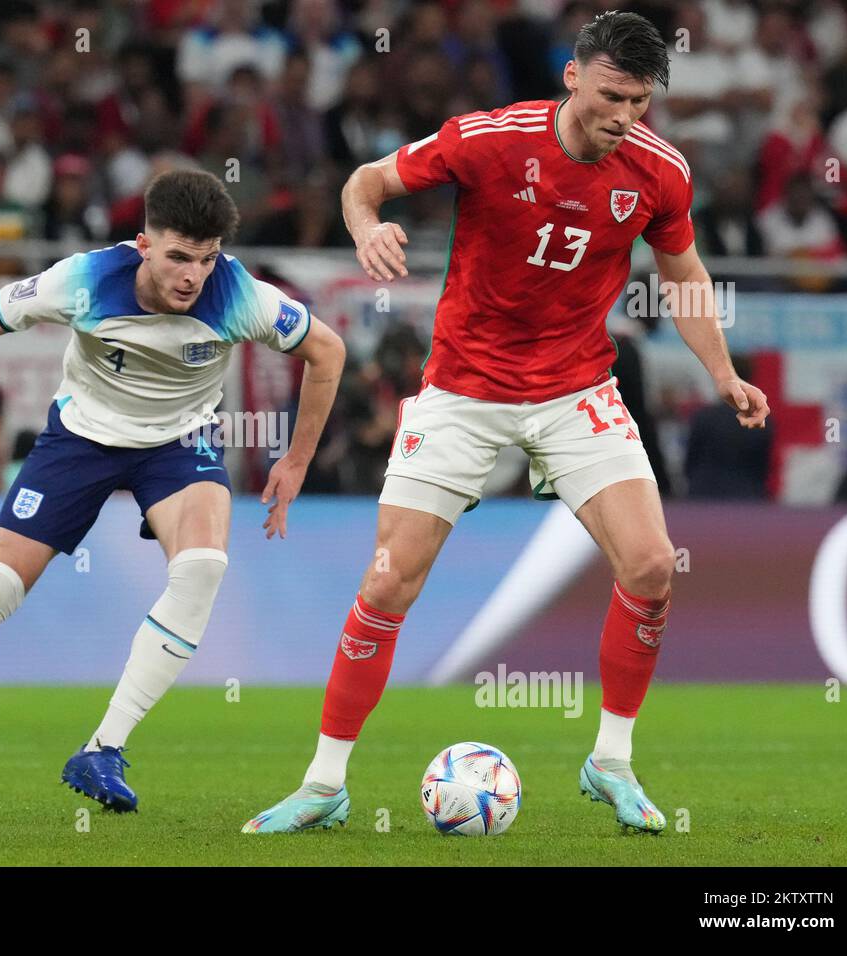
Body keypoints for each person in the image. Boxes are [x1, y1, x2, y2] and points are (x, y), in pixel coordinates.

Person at [244, 11, 770, 836]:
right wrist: (365, 227)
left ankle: (611, 761)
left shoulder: (660, 172)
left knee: (652, 567)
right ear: (572, 76)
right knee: (386, 582)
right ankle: (324, 783)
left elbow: (685, 274)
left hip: (575, 389)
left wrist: (723, 372)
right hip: (463, 388)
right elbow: (365, 182)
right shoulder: (489, 139)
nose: (623, 115)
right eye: (610, 95)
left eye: (638, 101)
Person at [0, 169, 347, 814]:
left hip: (177, 444)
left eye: (206, 258)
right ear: (144, 244)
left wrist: (296, 459)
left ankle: (104, 748)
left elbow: (326, 351)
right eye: (178, 257)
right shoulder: (81, 280)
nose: (193, 275)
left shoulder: (240, 296)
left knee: (203, 568)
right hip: (79, 441)